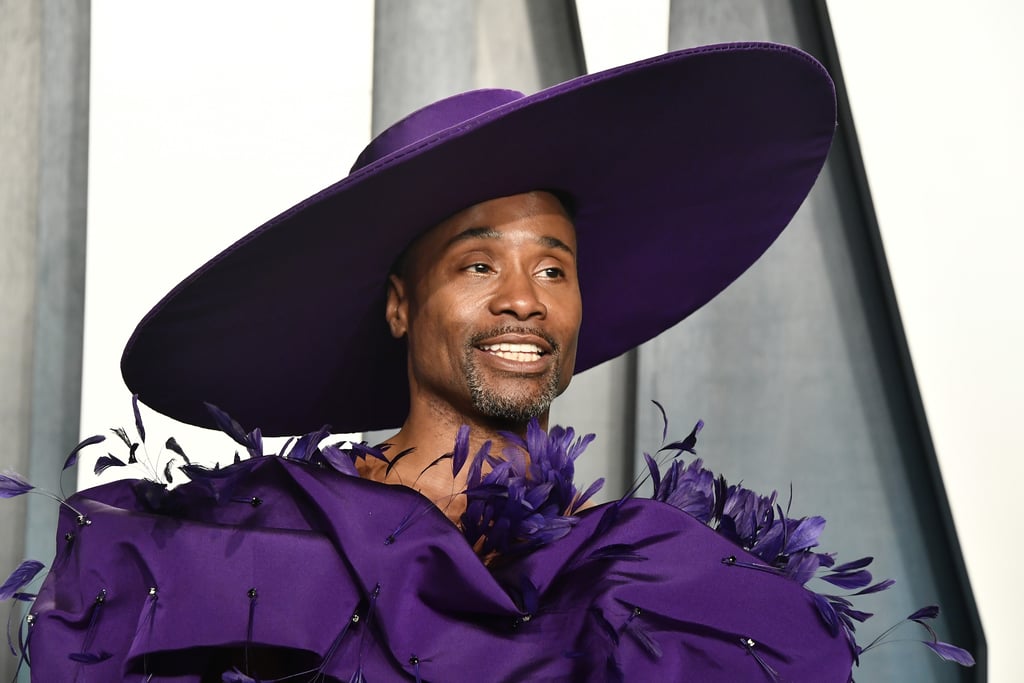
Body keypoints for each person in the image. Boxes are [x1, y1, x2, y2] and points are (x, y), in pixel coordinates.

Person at [7, 42, 971, 682]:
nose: (525, 296)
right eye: (478, 262)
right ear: (399, 304)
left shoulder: (682, 580)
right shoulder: (225, 552)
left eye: (554, 265)